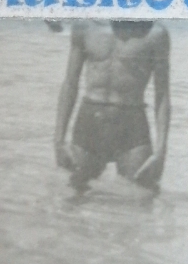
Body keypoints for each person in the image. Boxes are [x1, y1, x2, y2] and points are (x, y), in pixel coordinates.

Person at [54, 20, 171, 191]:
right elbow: (70, 84)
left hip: (131, 127)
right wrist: (58, 141)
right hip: (89, 125)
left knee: (143, 199)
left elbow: (162, 94)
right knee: (73, 198)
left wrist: (161, 152)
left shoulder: (155, 34)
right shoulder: (85, 26)